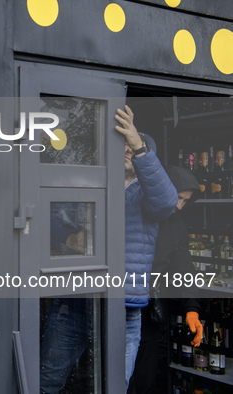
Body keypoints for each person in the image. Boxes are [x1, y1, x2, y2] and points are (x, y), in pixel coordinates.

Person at [40, 105, 177, 393]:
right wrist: (68, 239)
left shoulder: (148, 195)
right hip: (75, 300)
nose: (129, 149)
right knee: (47, 382)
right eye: (124, 144)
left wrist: (138, 144)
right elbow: (48, 219)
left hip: (124, 307)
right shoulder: (90, 185)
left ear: (145, 157)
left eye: (136, 146)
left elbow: (167, 202)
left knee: (114, 386)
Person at [127, 165, 202, 394]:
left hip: (149, 309)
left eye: (186, 201)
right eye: (178, 198)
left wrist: (192, 308)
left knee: (144, 376)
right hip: (118, 302)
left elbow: (184, 267)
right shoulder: (133, 211)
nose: (179, 206)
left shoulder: (177, 225)